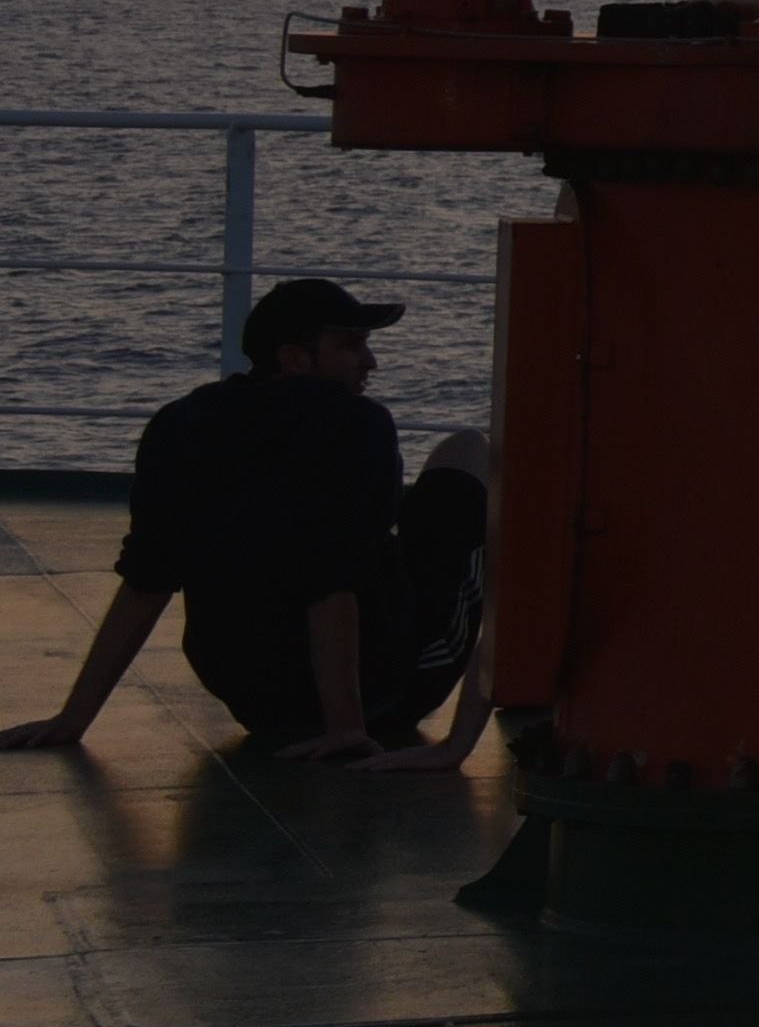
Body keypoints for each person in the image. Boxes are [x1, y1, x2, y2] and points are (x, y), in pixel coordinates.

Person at [5, 278, 486, 766]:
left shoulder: (181, 423)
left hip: (252, 694)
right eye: (351, 345)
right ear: (294, 358)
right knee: (468, 451)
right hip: (385, 688)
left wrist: (72, 718)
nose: (370, 362)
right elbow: (334, 580)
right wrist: (347, 728)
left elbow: (147, 579)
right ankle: (533, 682)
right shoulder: (358, 423)